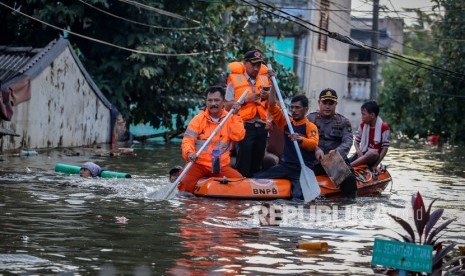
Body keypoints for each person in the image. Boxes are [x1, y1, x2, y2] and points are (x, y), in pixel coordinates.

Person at [254, 88, 319, 199]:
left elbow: (313, 144)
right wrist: (273, 88)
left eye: (297, 108)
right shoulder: (286, 122)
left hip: (301, 170)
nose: (294, 110)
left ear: (306, 109)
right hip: (285, 166)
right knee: (257, 177)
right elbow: (272, 107)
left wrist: (300, 140)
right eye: (292, 107)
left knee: (297, 196)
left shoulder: (310, 126)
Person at [178, 86, 245, 193]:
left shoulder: (231, 118)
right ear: (206, 102)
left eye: (217, 100)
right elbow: (188, 140)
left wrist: (236, 115)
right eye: (210, 100)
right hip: (198, 164)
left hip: (220, 166)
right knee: (185, 187)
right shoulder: (198, 119)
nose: (213, 103)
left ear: (223, 102)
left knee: (240, 182)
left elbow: (238, 136)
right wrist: (190, 153)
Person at [225, 49, 272, 177]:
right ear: (245, 63)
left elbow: (273, 107)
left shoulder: (265, 81)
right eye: (253, 64)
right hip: (243, 126)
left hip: (261, 127)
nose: (256, 68)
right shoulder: (234, 81)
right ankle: (240, 184)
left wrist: (269, 95)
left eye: (259, 65)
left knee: (257, 162)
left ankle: (254, 190)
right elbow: (227, 106)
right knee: (244, 161)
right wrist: (245, 100)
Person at [307, 88, 357, 197]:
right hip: (314, 160)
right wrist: (316, 149)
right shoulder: (310, 119)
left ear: (336, 104)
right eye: (324, 102)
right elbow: (304, 138)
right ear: (319, 102)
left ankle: (347, 205)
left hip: (334, 161)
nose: (327, 106)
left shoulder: (343, 122)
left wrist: (336, 152)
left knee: (349, 180)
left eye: (331, 103)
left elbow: (348, 141)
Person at [350, 100, 390, 172]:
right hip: (361, 155)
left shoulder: (384, 127)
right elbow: (356, 142)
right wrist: (359, 152)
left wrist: (375, 165)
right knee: (342, 159)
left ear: (372, 115)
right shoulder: (363, 125)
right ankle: (348, 165)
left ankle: (349, 167)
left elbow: (385, 148)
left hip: (373, 157)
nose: (362, 117)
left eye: (363, 114)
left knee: (373, 153)